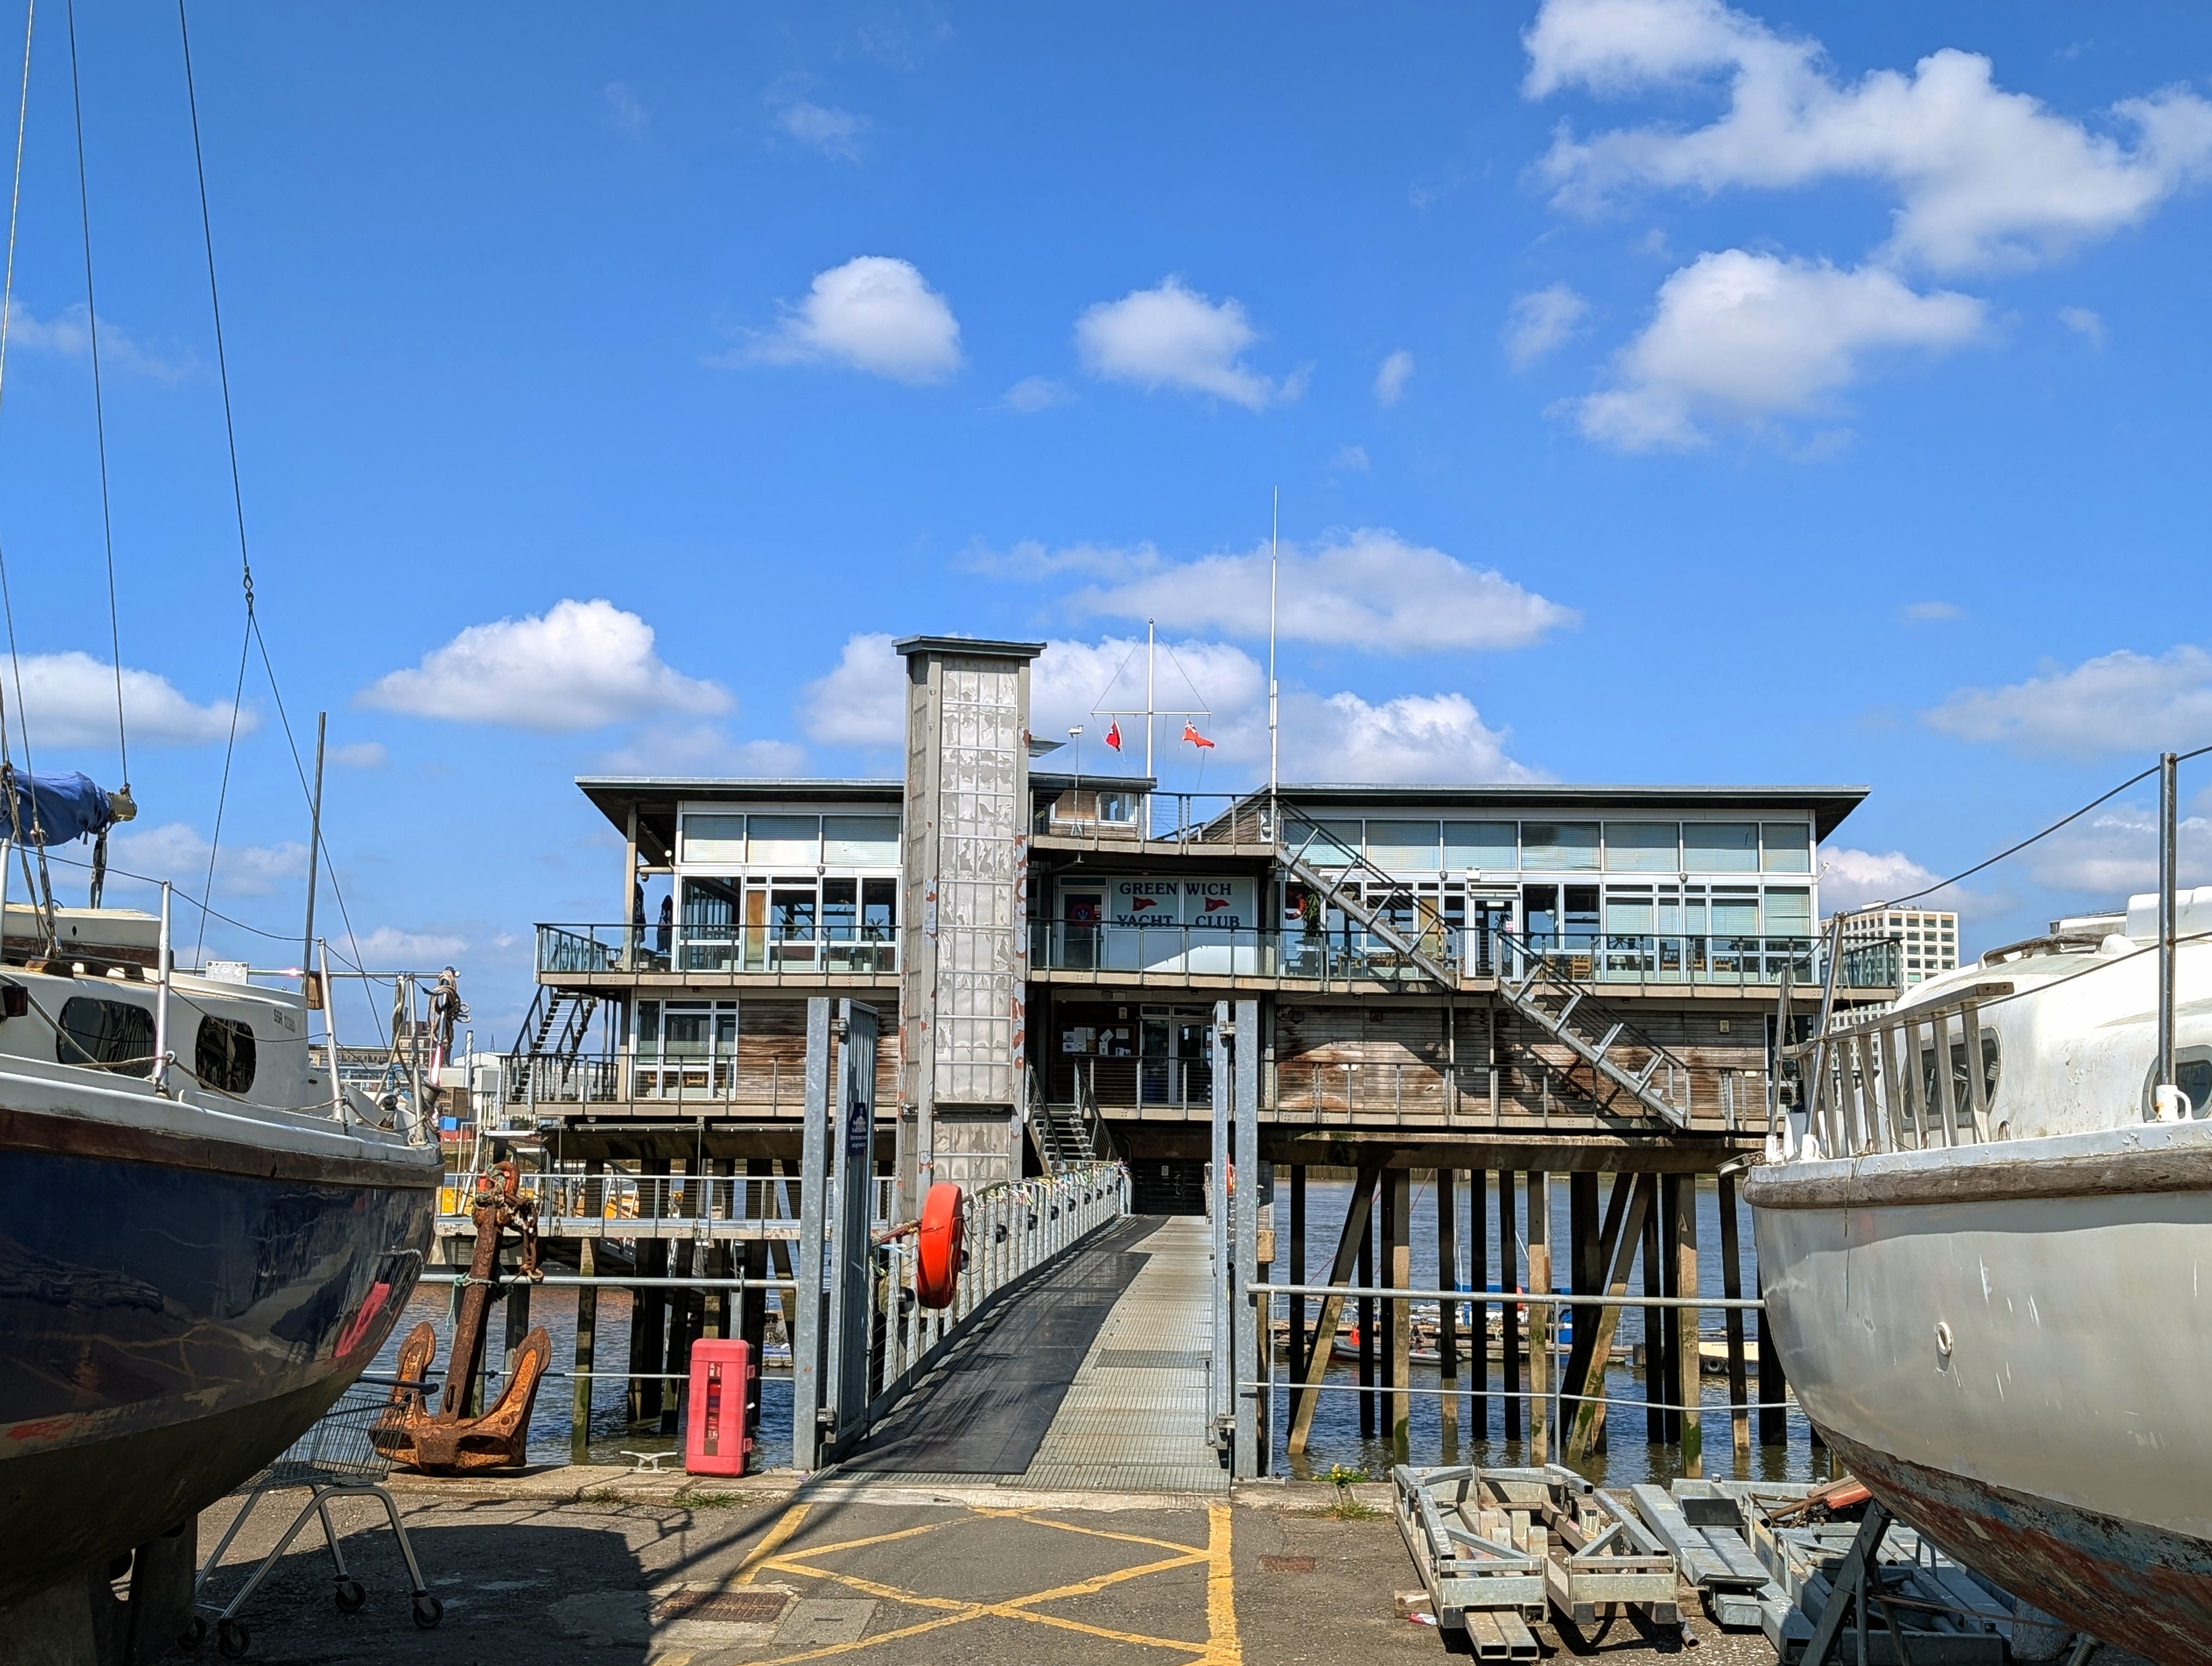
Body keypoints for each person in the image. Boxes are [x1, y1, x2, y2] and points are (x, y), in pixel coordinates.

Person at [657, 891, 673, 959]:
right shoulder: (670, 914)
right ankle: (668, 952)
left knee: (666, 940)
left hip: (663, 930)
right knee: (668, 940)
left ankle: (664, 952)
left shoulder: (663, 916)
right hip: (666, 931)